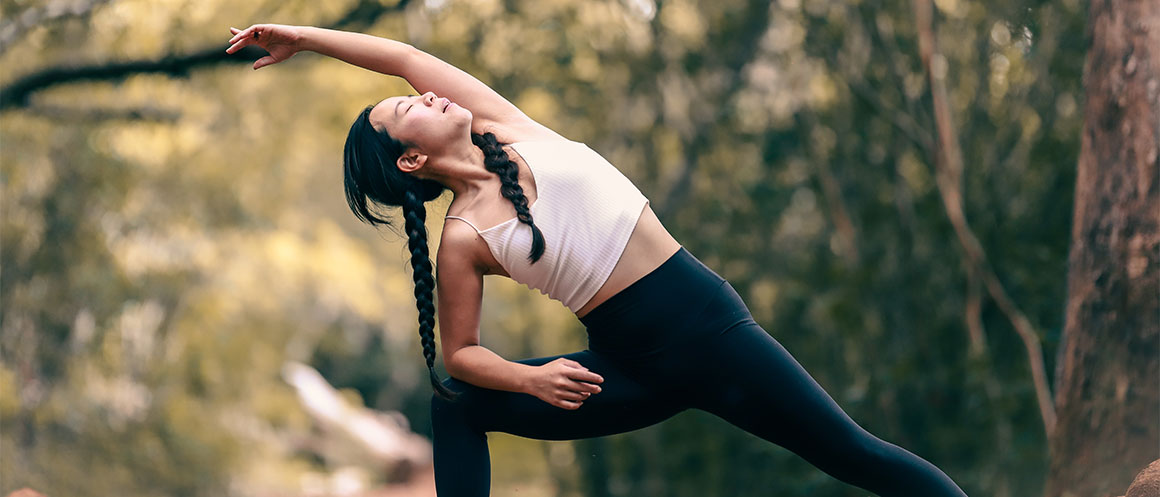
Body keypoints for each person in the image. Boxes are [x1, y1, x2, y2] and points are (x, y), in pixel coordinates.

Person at [226, 23, 969, 497]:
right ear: (414, 156)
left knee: (851, 452)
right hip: (626, 368)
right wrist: (533, 377)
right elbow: (460, 356)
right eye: (406, 110)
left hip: (708, 328)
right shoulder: (464, 238)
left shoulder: (505, 127)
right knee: (452, 405)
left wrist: (305, 38)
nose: (421, 92)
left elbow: (404, 56)